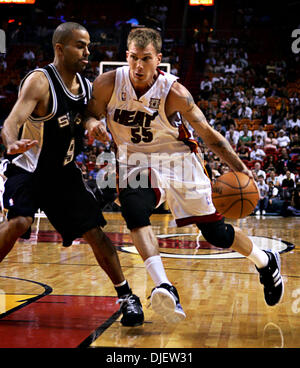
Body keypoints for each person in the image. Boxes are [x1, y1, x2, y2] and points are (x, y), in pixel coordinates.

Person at [85, 27, 284, 323]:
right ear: (126, 56)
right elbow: (89, 114)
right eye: (133, 58)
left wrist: (241, 169)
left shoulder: (174, 92)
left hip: (180, 164)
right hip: (136, 162)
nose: (139, 66)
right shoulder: (108, 83)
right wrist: (91, 125)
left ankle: (265, 261)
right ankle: (164, 285)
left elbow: (209, 134)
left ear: (159, 59)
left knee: (216, 234)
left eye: (146, 59)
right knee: (133, 207)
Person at [0, 22, 144, 327]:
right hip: (27, 170)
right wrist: (12, 142)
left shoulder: (86, 86)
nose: (87, 52)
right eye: (80, 45)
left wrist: (94, 126)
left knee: (94, 231)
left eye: (88, 46)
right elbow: (11, 121)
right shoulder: (40, 82)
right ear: (60, 48)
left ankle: (127, 296)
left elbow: (88, 115)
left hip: (63, 175)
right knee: (19, 222)